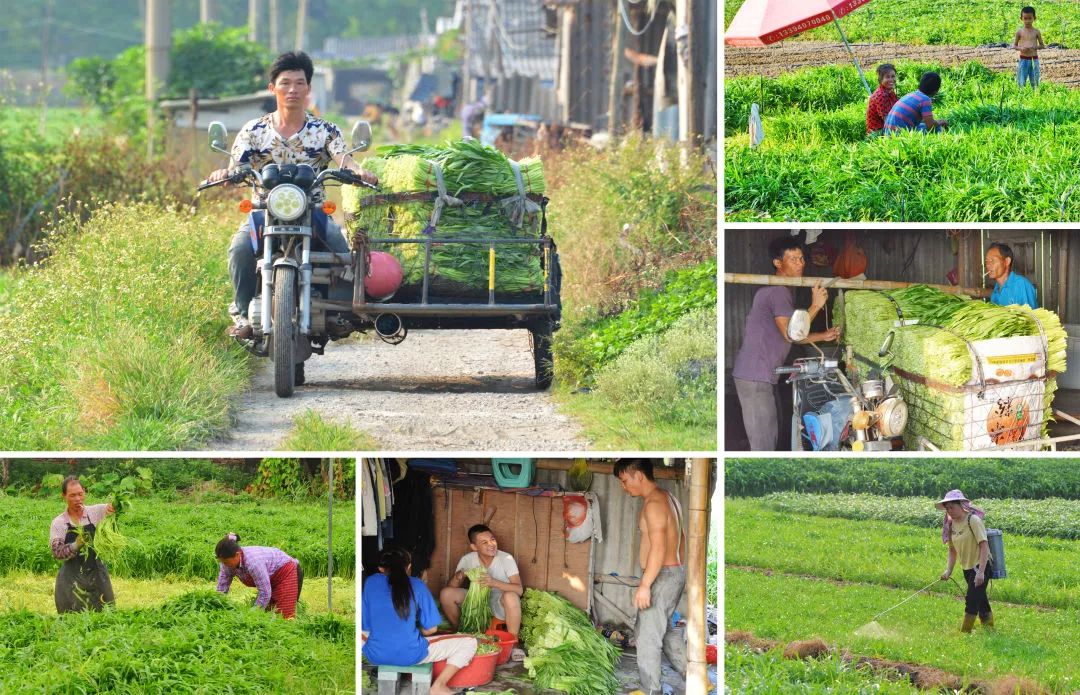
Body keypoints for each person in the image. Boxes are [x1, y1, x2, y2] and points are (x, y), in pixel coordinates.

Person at [205, 51, 378, 341]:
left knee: (342, 251)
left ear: (309, 89)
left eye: (300, 83)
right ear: (272, 88)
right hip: (263, 210)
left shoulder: (325, 131)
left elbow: (344, 160)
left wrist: (359, 171)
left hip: (313, 209)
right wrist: (222, 174)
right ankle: (243, 314)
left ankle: (337, 311)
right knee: (239, 250)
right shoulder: (253, 131)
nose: (293, 89)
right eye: (285, 83)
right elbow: (236, 165)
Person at [732, 236, 841, 451]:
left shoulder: (778, 291)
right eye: (793, 259)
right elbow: (792, 334)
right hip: (755, 377)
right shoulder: (779, 292)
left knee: (771, 432)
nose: (800, 264)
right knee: (764, 443)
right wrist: (816, 305)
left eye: (801, 259)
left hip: (757, 375)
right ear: (777, 263)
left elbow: (788, 333)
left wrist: (823, 336)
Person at [614, 460, 688, 695]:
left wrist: (646, 584)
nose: (624, 488)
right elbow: (682, 539)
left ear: (639, 476)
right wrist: (679, 570)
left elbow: (657, 547)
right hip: (673, 572)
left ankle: (651, 691)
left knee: (646, 638)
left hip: (662, 576)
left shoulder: (654, 504)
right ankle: (693, 675)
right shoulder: (669, 499)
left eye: (625, 481)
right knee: (663, 630)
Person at [363, 548, 478, 695]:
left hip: (374, 654)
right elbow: (431, 629)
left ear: (380, 569)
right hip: (411, 654)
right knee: (469, 642)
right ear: (409, 566)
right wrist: (418, 631)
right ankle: (439, 687)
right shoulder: (417, 584)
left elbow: (365, 625)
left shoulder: (371, 582)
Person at [439, 524, 524, 638]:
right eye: (485, 542)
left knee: (511, 596)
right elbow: (452, 587)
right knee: (446, 593)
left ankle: (513, 642)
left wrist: (494, 582)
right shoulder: (468, 559)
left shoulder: (506, 558)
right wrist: (459, 576)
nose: (491, 544)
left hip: (499, 602)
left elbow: (519, 590)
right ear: (474, 547)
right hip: (475, 600)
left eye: (492, 539)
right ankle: (462, 632)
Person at [50, 476, 116, 614]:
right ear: (64, 496)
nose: (77, 499)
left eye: (80, 494)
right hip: (72, 577)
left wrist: (114, 508)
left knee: (105, 615)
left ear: (84, 492)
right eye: (72, 495)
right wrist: (75, 545)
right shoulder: (59, 523)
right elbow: (57, 553)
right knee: (73, 617)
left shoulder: (96, 511)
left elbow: (112, 509)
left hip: (97, 574)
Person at [937, 490, 994, 632]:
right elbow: (952, 550)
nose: (950, 511)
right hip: (967, 568)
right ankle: (990, 628)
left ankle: (965, 632)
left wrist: (981, 572)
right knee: (980, 599)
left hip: (981, 566)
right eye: (947, 508)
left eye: (952, 507)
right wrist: (948, 570)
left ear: (961, 505)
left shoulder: (973, 520)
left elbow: (984, 545)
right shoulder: (950, 525)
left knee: (971, 600)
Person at [215, 533, 304, 619]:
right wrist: (217, 605)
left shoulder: (253, 563)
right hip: (269, 576)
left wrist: (252, 615)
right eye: (222, 562)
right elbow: (222, 588)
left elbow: (265, 593)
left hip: (285, 572)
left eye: (226, 562)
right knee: (267, 613)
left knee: (283, 615)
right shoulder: (226, 563)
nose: (224, 565)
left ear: (237, 555)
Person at [884, 71, 948, 134]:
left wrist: (934, 121)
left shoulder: (912, 94)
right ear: (936, 91)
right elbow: (930, 126)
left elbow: (924, 120)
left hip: (887, 132)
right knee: (937, 128)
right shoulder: (925, 100)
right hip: (898, 135)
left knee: (922, 125)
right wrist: (940, 122)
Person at [986, 242, 1038, 309]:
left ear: (1007, 261)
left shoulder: (1021, 284)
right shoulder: (996, 290)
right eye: (986, 261)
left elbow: (1032, 317)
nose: (988, 265)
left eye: (993, 260)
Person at [1014, 6, 1045, 88]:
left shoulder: (1036, 32)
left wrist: (1035, 47)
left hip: (1034, 59)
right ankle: (1021, 95)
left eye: (1030, 18)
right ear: (1021, 18)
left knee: (1035, 79)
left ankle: (1035, 95)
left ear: (1034, 18)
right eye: (1025, 18)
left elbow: (1042, 45)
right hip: (1023, 59)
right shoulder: (1019, 32)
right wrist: (1021, 48)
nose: (1027, 21)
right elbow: (1014, 45)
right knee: (1021, 80)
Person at [866, 63, 899, 135]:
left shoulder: (890, 93)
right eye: (887, 77)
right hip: (877, 132)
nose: (891, 79)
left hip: (887, 127)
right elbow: (887, 121)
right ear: (881, 80)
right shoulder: (880, 95)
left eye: (893, 76)